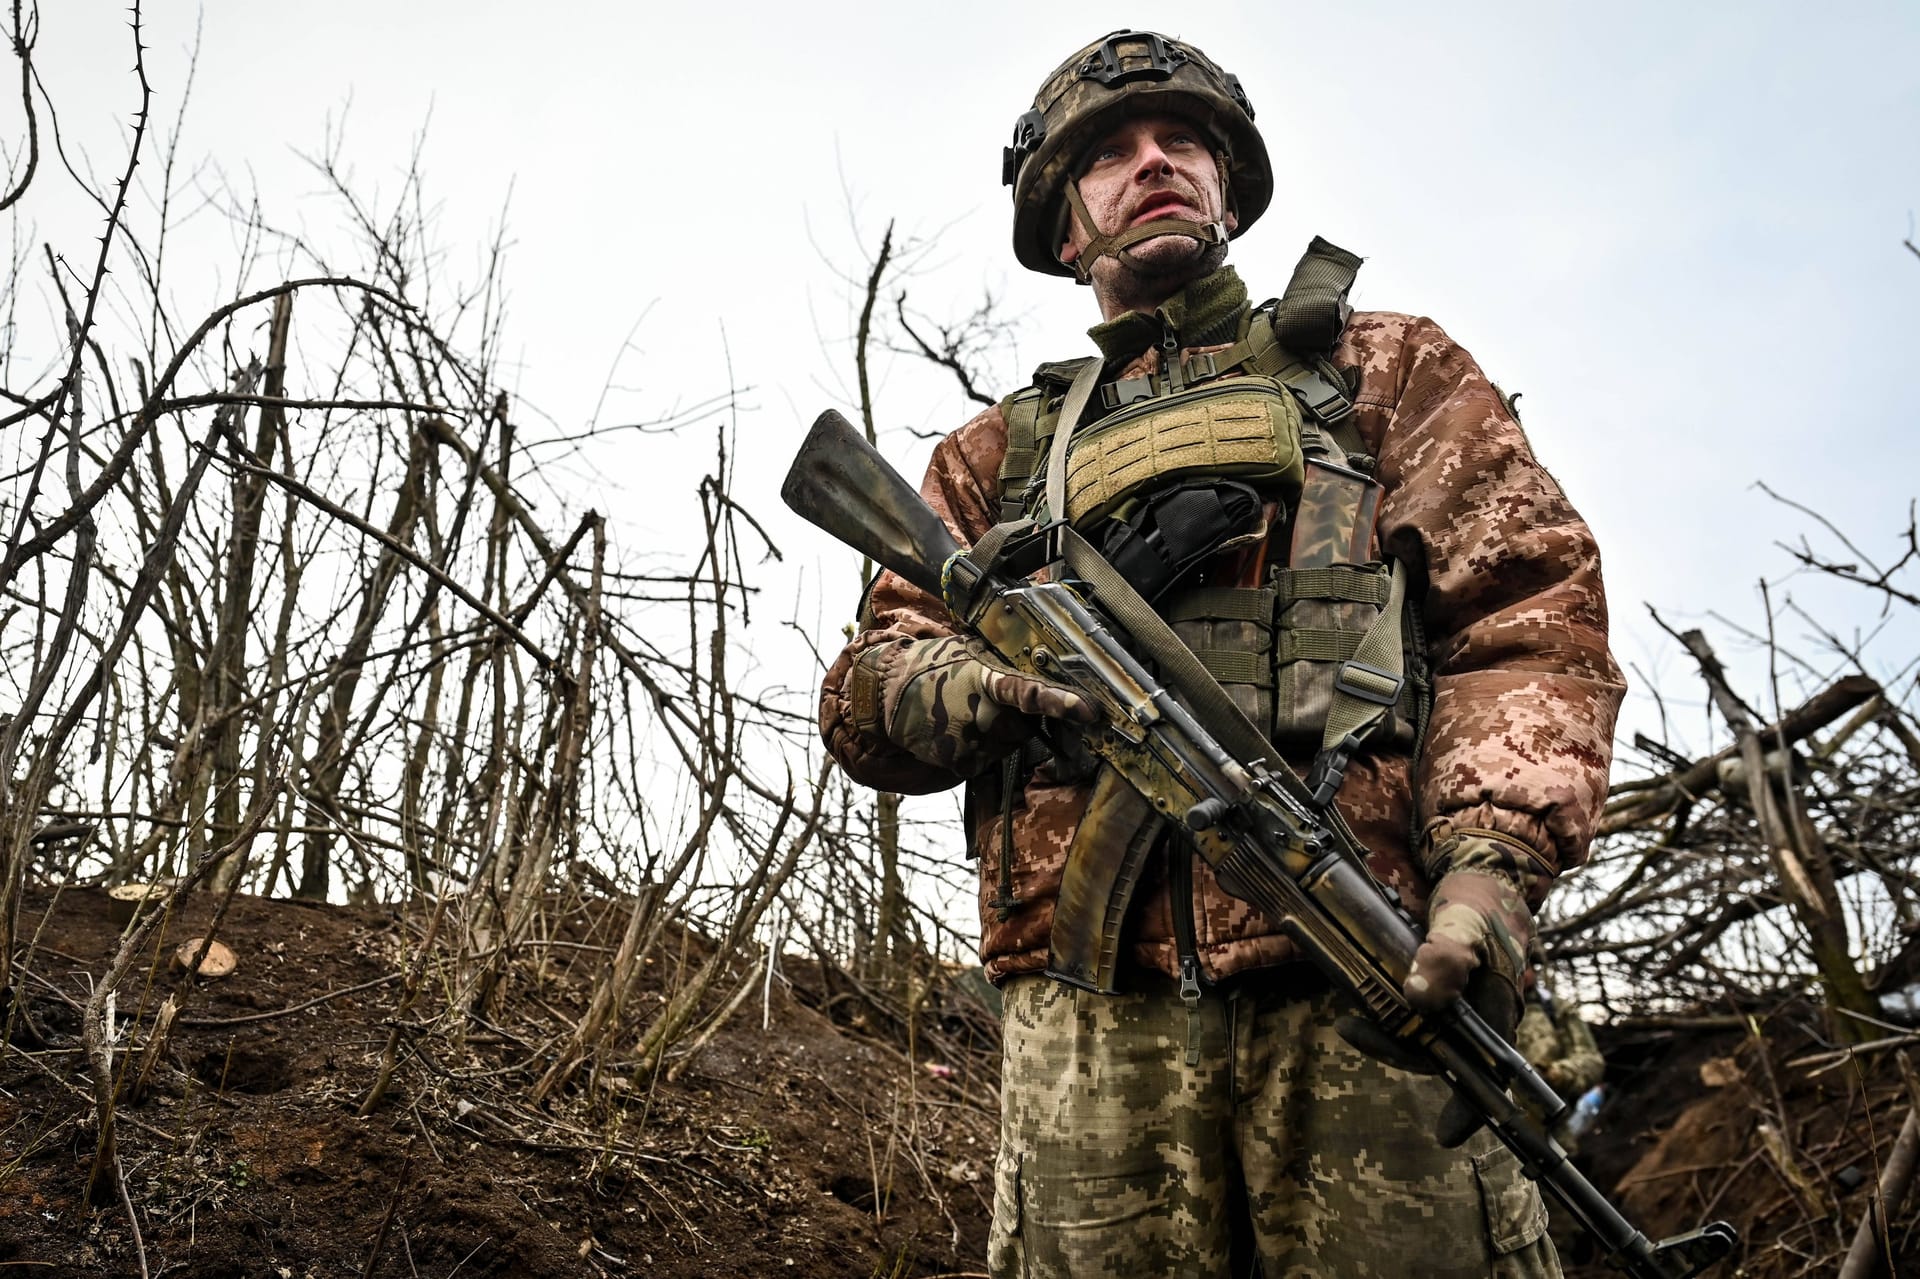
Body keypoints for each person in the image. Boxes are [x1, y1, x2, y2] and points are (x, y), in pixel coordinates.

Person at [818, 29, 1624, 1278]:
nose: (1153, 163)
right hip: (1089, 1029)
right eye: (1109, 152)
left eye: (1180, 140)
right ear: (1061, 217)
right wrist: (979, 682)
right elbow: (869, 695)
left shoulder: (1388, 369)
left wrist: (1489, 875)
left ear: (1229, 181)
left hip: (1367, 984)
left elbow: (1526, 625)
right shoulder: (992, 462)